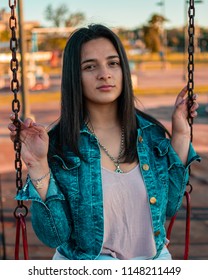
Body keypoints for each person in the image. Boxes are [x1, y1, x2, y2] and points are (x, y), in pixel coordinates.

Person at [8, 24, 200, 260]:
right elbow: (54, 236)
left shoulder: (151, 135)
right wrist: (38, 164)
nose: (104, 74)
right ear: (74, 77)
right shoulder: (59, 145)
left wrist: (181, 135)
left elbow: (170, 205)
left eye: (113, 63)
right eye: (90, 66)